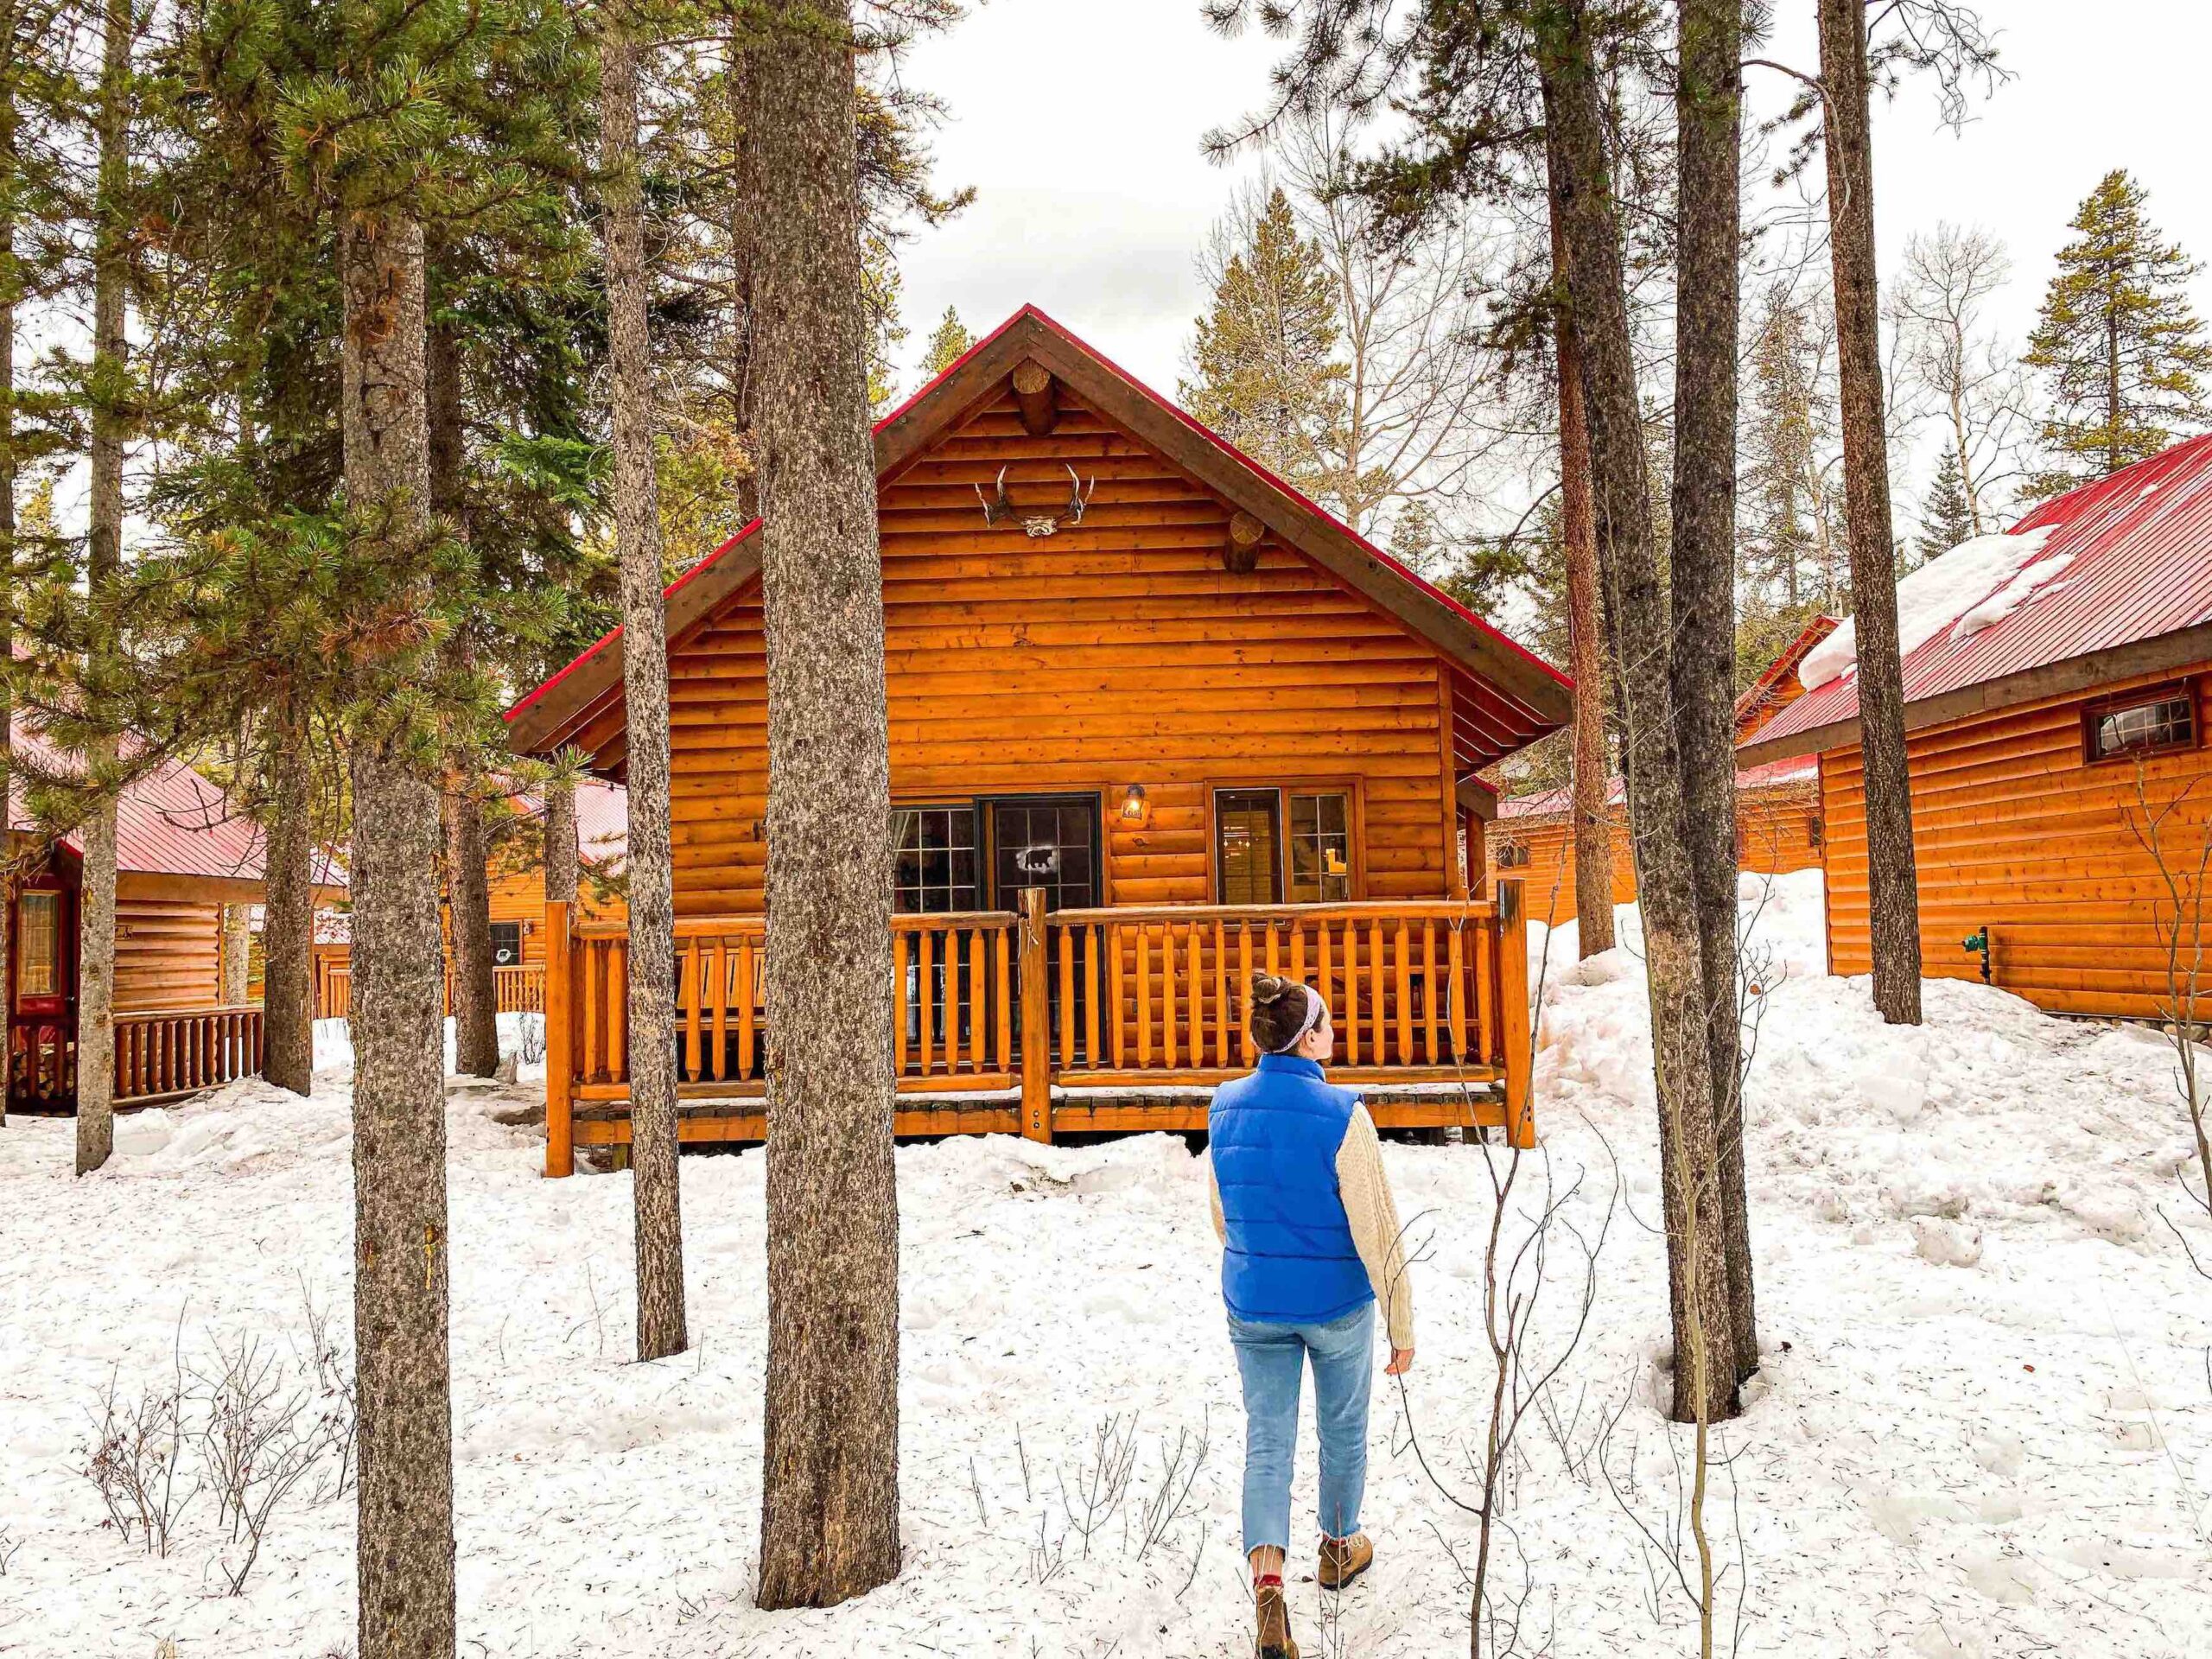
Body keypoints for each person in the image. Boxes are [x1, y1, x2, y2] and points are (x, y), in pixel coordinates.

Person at [1209, 972, 1415, 1659]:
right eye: (1327, 1025)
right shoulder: (1343, 1114)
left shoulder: (1225, 1106)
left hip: (1254, 1300)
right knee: (1343, 1426)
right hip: (1334, 1307)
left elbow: (1223, 1213)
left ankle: (1269, 1587)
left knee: (1267, 1441)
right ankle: (1337, 1545)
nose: (1336, 1034)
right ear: (1308, 1040)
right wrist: (1402, 1324)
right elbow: (1377, 1230)